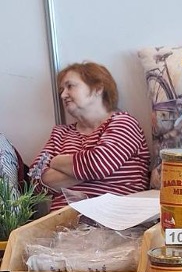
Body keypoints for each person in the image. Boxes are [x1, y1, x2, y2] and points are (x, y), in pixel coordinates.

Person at [30, 62, 150, 209]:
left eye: (70, 86)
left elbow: (98, 165)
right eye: (62, 90)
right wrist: (88, 170)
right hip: (61, 220)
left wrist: (56, 162)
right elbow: (34, 182)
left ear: (97, 88)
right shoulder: (60, 133)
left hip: (113, 217)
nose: (63, 95)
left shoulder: (124, 123)